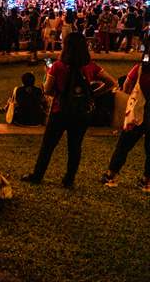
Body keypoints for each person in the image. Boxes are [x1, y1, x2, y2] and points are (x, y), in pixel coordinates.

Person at [22, 32, 116, 188]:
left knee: (48, 146)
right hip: (81, 113)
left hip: (60, 111)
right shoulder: (91, 66)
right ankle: (69, 179)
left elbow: (47, 90)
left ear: (66, 47)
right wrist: (92, 94)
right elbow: (112, 83)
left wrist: (52, 82)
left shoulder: (58, 66)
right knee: (75, 147)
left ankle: (37, 175)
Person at [101, 55, 150, 191]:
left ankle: (111, 175)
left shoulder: (140, 69)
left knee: (124, 145)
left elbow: (127, 86)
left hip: (138, 114)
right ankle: (147, 181)